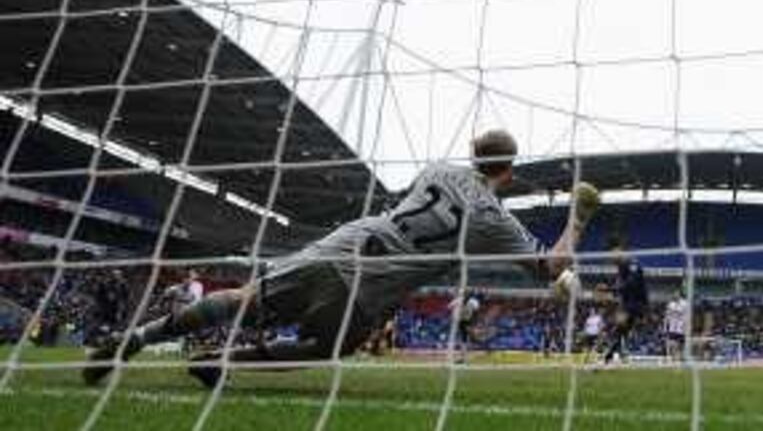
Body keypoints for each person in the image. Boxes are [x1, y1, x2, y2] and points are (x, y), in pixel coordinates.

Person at [83, 129, 600, 388]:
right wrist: (577, 218)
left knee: (243, 298)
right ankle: (218, 362)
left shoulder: (436, 169)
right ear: (507, 172)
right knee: (327, 347)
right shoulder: (495, 220)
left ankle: (139, 336)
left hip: (347, 240)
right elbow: (551, 269)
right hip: (372, 282)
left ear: (472, 153)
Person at [600, 253, 649, 364]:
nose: (613, 263)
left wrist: (610, 289)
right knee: (620, 331)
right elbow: (621, 286)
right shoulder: (621, 269)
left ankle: (612, 355)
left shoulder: (633, 265)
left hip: (636, 304)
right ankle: (611, 356)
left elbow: (630, 284)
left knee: (618, 329)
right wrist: (611, 291)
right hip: (629, 304)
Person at [448, 292, 480, 363]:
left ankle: (464, 355)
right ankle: (463, 356)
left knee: (464, 339)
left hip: (468, 320)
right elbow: (449, 307)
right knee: (463, 339)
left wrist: (474, 322)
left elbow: (476, 312)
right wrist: (454, 312)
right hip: (461, 321)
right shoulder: (458, 301)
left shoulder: (472, 302)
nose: (465, 299)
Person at [663, 289, 688, 362]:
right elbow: (667, 316)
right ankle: (673, 359)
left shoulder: (685, 304)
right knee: (673, 345)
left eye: (676, 293)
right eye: (674, 293)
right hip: (672, 328)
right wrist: (665, 327)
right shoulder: (671, 304)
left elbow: (687, 316)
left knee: (680, 346)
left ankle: (680, 358)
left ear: (680, 294)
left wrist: (686, 326)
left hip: (681, 329)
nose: (675, 295)